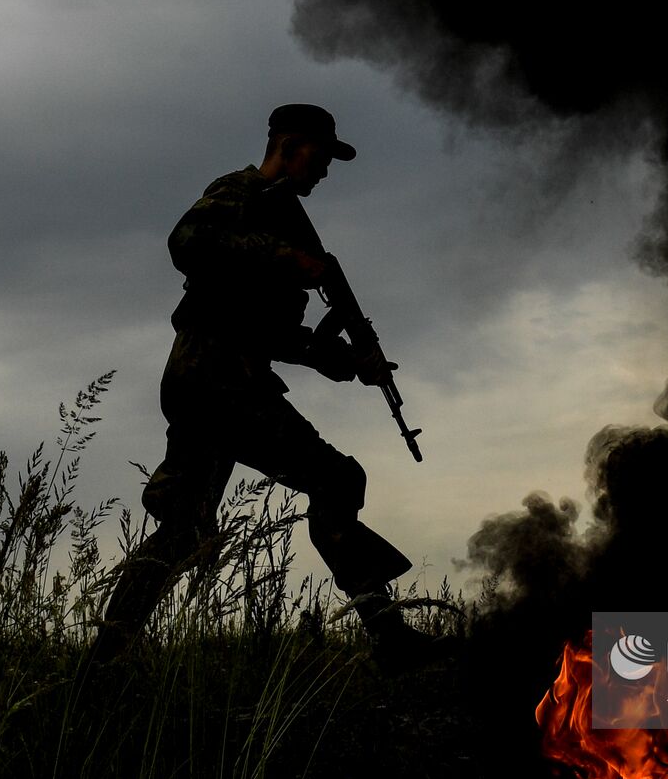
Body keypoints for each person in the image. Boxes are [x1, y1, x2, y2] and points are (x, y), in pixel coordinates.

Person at [92, 104, 442, 668]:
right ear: (290, 144)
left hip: (209, 378)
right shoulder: (242, 193)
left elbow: (275, 336)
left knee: (182, 531)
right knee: (336, 479)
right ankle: (389, 634)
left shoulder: (278, 215)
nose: (324, 172)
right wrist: (285, 257)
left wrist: (351, 361)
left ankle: (104, 662)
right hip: (220, 379)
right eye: (321, 157)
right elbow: (186, 240)